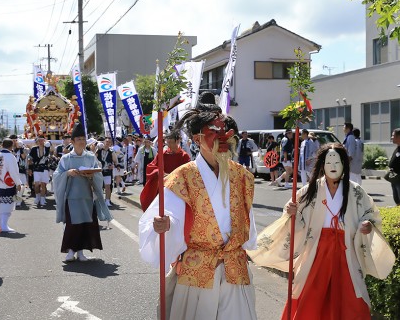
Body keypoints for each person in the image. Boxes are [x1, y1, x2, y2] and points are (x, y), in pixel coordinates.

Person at [139, 91, 258, 320]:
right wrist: (165, 224)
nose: (222, 138)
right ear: (197, 139)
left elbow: (246, 216)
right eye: (214, 132)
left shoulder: (242, 175)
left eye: (225, 131)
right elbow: (171, 214)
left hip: (234, 265)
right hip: (198, 265)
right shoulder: (183, 176)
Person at [249, 143, 396, 319]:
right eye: (329, 162)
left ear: (344, 164)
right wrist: (291, 212)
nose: (333, 167)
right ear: (322, 165)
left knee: (351, 300)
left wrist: (367, 225)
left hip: (346, 253)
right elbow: (296, 218)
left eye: (337, 162)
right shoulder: (310, 190)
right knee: (311, 298)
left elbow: (370, 214)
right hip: (316, 252)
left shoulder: (356, 191)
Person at [52, 123, 113, 262]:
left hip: (87, 195)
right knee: (73, 224)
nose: (81, 141)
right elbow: (57, 175)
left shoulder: (91, 157)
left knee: (85, 224)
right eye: (78, 139)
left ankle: (80, 252)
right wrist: (67, 172)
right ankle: (70, 251)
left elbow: (98, 173)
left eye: (83, 139)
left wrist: (91, 175)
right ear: (72, 142)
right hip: (72, 196)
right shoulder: (65, 158)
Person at [140, 130, 191, 211]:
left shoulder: (184, 156)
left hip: (177, 189)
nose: (169, 145)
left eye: (171, 142)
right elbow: (151, 166)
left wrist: (173, 176)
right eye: (168, 142)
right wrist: (159, 173)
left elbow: (188, 172)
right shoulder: (162, 154)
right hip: (163, 188)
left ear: (177, 141)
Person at [0, 139, 23, 233]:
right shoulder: (10, 156)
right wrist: (18, 183)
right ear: (11, 146)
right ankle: (3, 225)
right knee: (7, 206)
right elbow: (13, 171)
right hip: (7, 184)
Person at [28, 136, 50, 207]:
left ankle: (43, 199)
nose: (40, 142)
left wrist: (48, 143)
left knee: (43, 184)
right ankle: (37, 197)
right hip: (36, 168)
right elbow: (30, 158)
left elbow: (52, 149)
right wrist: (29, 168)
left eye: (42, 140)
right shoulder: (34, 149)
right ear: (37, 142)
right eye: (39, 141)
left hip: (44, 168)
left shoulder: (47, 148)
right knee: (36, 184)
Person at [96, 137, 117, 207]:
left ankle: (107, 201)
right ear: (104, 142)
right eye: (106, 141)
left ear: (111, 144)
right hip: (99, 171)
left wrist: (113, 165)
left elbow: (115, 161)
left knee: (107, 186)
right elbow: (93, 159)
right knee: (98, 187)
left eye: (109, 142)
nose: (107, 143)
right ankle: (99, 201)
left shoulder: (111, 152)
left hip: (107, 171)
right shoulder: (98, 150)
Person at [389, 128, 400, 205]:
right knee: (396, 198)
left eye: (393, 135)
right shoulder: (397, 148)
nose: (391, 137)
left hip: (399, 177)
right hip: (394, 176)